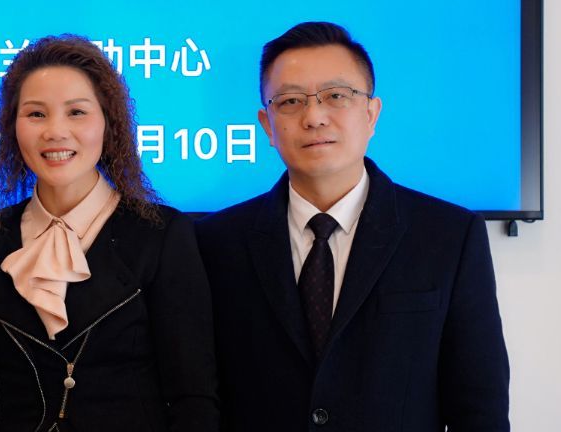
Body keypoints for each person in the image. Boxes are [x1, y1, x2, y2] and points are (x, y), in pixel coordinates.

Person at [196, 21, 510, 432]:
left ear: (371, 113)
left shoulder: (449, 237)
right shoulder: (215, 244)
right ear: (267, 124)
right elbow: (201, 399)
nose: (314, 116)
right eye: (290, 101)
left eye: (336, 96)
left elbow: (480, 410)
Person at [0, 34, 217, 432]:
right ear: (12, 126)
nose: (55, 131)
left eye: (77, 112)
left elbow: (194, 399)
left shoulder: (163, 235)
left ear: (108, 122)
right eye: (36, 114)